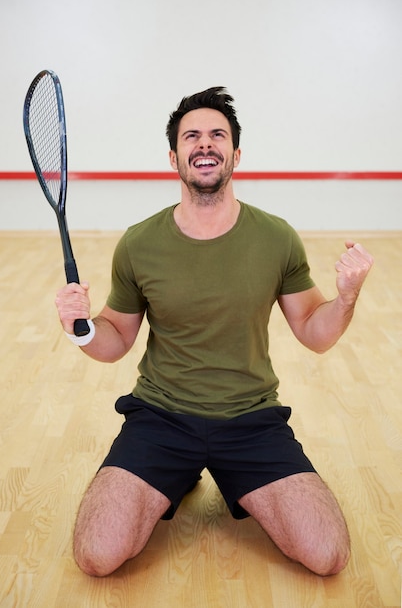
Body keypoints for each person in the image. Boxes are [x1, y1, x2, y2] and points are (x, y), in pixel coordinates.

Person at [55, 87, 373, 578]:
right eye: (192, 136)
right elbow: (114, 337)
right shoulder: (139, 243)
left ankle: (230, 480)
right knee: (96, 555)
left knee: (328, 555)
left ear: (236, 154)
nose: (205, 144)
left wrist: (347, 296)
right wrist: (79, 328)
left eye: (217, 135)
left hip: (251, 421)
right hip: (160, 419)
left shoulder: (276, 237)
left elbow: (314, 330)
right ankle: (174, 480)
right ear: (174, 156)